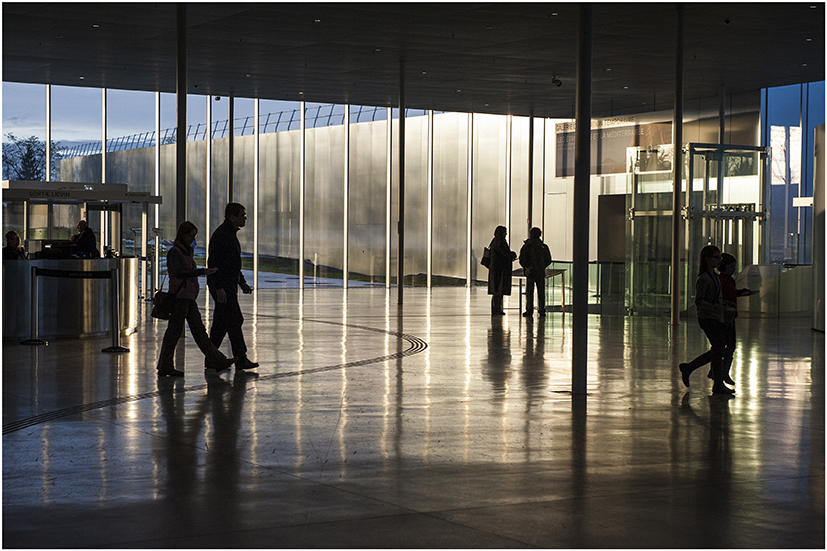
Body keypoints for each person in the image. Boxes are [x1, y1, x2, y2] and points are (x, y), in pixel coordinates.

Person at [157, 221, 236, 377]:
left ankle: (217, 360)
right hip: (180, 297)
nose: (193, 239)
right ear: (183, 235)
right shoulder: (176, 252)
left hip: (188, 297)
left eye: (195, 236)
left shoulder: (186, 251)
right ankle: (165, 365)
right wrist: (201, 272)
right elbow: (179, 273)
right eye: (191, 236)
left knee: (198, 332)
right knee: (176, 333)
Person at [207, 203, 258, 370]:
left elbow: (232, 264)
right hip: (223, 287)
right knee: (235, 320)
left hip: (227, 285)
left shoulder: (228, 234)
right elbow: (214, 263)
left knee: (221, 323)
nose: (245, 218)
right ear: (232, 217)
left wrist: (241, 281)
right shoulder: (223, 235)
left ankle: (211, 357)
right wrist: (219, 287)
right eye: (242, 215)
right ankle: (240, 358)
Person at [679, 245, 734, 395]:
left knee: (718, 349)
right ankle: (716, 383)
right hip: (708, 317)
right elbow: (699, 301)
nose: (719, 260)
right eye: (716, 257)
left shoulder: (713, 276)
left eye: (719, 257)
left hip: (714, 316)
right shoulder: (705, 279)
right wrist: (715, 306)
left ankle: (690, 368)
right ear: (707, 259)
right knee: (718, 348)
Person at [705, 252, 757, 386]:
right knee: (727, 346)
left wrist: (741, 292)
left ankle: (720, 372)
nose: (733, 269)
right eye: (731, 267)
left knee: (727, 346)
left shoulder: (727, 280)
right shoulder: (722, 281)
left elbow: (731, 294)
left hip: (729, 315)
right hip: (725, 316)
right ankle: (721, 372)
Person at [518, 227, 552, 317]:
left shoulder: (526, 246)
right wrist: (541, 266)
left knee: (529, 292)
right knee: (541, 292)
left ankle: (529, 310)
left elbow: (522, 259)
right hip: (540, 272)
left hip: (530, 272)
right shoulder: (543, 246)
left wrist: (527, 267)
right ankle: (542, 309)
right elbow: (548, 259)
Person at [487, 225, 517, 315]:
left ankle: (496, 308)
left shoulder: (494, 241)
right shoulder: (501, 242)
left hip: (495, 269)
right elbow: (506, 254)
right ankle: (497, 309)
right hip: (500, 270)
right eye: (505, 232)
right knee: (499, 290)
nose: (506, 234)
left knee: (496, 290)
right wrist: (513, 255)